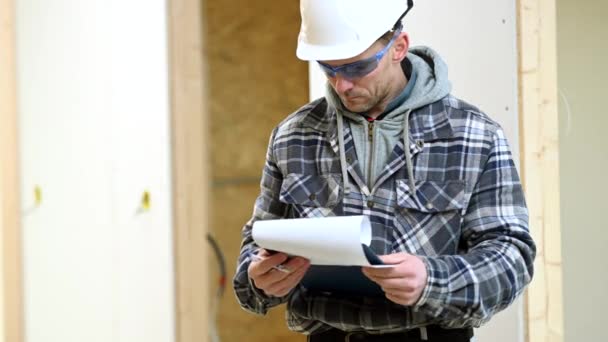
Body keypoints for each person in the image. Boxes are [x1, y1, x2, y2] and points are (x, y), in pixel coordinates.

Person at [233, 0, 536, 341]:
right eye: (328, 68)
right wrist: (259, 280)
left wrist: (431, 280)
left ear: (398, 47)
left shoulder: (474, 135)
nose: (341, 84)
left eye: (357, 67)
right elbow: (255, 246)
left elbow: (511, 258)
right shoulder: (294, 135)